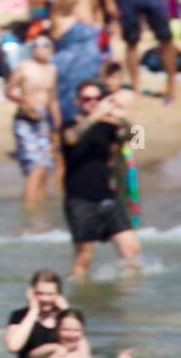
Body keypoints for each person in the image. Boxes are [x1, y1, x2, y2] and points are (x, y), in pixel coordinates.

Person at [61, 80, 142, 280]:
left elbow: (138, 141)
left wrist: (126, 120)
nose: (92, 102)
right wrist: (97, 115)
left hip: (107, 196)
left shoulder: (109, 127)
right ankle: (75, 296)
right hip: (80, 198)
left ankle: (126, 302)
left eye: (97, 98)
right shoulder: (69, 125)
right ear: (77, 101)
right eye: (87, 99)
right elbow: (72, 138)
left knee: (132, 251)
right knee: (84, 257)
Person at [3, 269, 71, 358]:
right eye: (40, 293)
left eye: (50, 294)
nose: (45, 299)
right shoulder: (19, 316)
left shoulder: (64, 318)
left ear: (58, 295)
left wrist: (67, 312)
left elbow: (79, 349)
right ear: (32, 293)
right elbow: (13, 346)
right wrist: (33, 311)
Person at [5, 32, 59, 205]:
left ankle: (39, 207)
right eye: (36, 45)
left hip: (43, 119)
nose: (40, 49)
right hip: (25, 119)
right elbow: (8, 91)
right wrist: (24, 101)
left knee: (45, 168)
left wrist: (57, 123)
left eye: (44, 45)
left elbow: (52, 98)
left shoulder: (52, 69)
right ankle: (28, 209)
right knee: (34, 168)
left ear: (51, 49)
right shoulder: (24, 67)